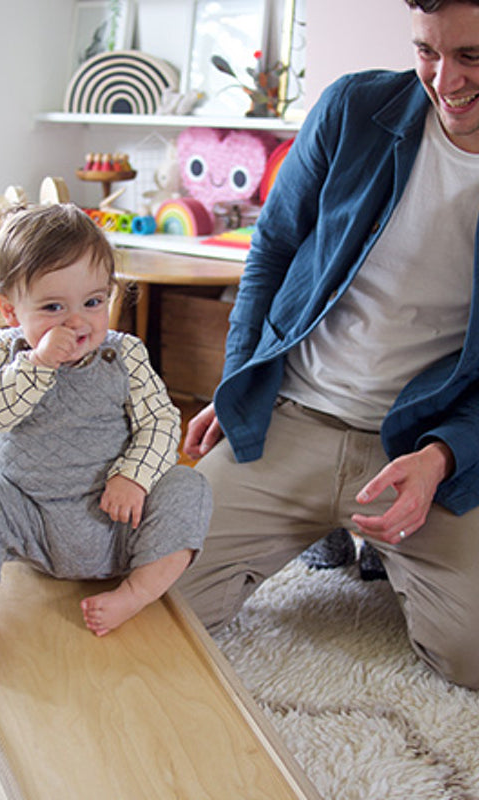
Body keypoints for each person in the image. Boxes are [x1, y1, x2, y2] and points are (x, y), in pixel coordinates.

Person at [177, 0, 479, 689]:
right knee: (156, 599)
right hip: (296, 414)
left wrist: (443, 456)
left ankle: (371, 541)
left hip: (418, 445)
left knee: (473, 656)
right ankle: (329, 526)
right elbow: (274, 248)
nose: (445, 81)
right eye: (427, 51)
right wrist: (241, 384)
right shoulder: (353, 109)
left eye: (472, 57)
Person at [0, 203, 212, 663]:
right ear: (9, 310)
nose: (77, 321)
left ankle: (135, 593)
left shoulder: (125, 355)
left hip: (120, 518)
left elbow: (160, 422)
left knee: (189, 487)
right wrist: (38, 364)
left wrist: (134, 476)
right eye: (53, 307)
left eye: (93, 303)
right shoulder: (2, 351)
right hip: (31, 515)